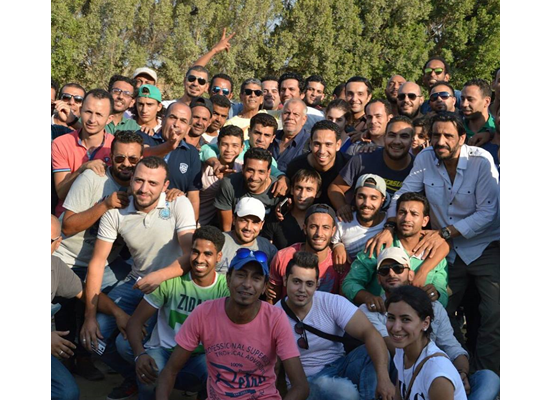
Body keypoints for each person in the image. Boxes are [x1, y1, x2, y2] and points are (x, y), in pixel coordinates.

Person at [377, 113, 500, 373]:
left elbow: (488, 212)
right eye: (435, 135)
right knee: (435, 310)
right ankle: (453, 369)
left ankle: (485, 376)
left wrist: (444, 232)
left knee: (494, 315)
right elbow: (403, 194)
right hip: (447, 250)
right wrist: (389, 226)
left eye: (448, 136)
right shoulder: (425, 158)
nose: (440, 141)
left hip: (483, 246)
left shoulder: (480, 160)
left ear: (462, 138)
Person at [81, 157, 197, 399]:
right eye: (139, 180)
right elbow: (97, 263)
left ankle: (157, 377)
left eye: (153, 183)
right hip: (136, 282)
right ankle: (134, 376)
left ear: (165, 186)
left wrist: (159, 276)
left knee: (127, 346)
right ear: (131, 179)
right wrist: (89, 317)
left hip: (171, 285)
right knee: (92, 339)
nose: (144, 189)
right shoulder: (116, 212)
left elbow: (191, 255)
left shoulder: (178, 203)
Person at [155, 250, 310, 400]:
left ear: (264, 287)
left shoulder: (275, 318)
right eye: (241, 275)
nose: (247, 284)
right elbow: (170, 371)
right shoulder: (204, 313)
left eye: (256, 278)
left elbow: (300, 386)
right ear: (228, 279)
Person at [360, 248, 501, 400]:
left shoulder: (436, 372)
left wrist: (462, 373)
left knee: (489, 378)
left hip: (434, 374)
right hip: (407, 370)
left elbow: (453, 348)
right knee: (372, 352)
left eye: (398, 268)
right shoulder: (401, 352)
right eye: (391, 318)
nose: (391, 274)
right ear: (378, 278)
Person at [120, 227, 230, 400]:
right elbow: (135, 322)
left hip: (200, 355)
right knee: (147, 372)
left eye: (207, 254)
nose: (199, 259)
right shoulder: (170, 282)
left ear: (219, 257)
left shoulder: (225, 288)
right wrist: (139, 355)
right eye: (195, 252)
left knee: (217, 374)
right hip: (163, 350)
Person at [276, 252, 395, 400]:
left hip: (340, 365)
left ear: (317, 284)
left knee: (374, 352)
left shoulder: (331, 302)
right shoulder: (275, 315)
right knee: (345, 392)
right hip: (307, 381)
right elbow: (273, 366)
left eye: (309, 284)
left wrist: (384, 380)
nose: (302, 289)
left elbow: (369, 333)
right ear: (285, 280)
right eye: (296, 282)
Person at [343, 192, 450, 311]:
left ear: (425, 221)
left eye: (414, 214)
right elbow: (350, 283)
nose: (407, 218)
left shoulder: (434, 251)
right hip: (379, 315)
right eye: (402, 212)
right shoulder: (379, 246)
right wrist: (369, 298)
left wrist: (436, 294)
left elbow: (442, 293)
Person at [386, 286, 468, 400]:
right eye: (391, 318)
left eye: (406, 319)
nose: (396, 328)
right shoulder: (401, 352)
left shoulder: (438, 374)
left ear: (425, 323)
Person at [328, 116, 416, 223]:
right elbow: (336, 187)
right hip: (361, 227)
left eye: (404, 136)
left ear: (412, 140)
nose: (397, 141)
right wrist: (342, 206)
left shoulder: (418, 168)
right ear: (384, 137)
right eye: (392, 135)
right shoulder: (363, 159)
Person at [51, 89, 116, 216]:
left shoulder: (115, 146)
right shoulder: (61, 143)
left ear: (109, 119)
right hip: (66, 217)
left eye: (99, 114)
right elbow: (61, 193)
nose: (92, 119)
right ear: (80, 111)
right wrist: (83, 169)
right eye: (88, 112)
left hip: (104, 218)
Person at [138, 101, 202, 218]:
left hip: (174, 218)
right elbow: (144, 155)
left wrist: (192, 224)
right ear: (163, 119)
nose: (176, 124)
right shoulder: (144, 136)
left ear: (188, 129)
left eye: (183, 121)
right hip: (140, 213)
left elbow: (193, 196)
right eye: (172, 117)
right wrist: (169, 146)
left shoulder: (192, 152)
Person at [268, 204, 340, 304]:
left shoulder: (339, 262)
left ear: (333, 231)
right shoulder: (283, 257)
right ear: (305, 229)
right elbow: (271, 300)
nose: (319, 233)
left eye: (325, 227)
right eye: (313, 227)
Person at [51, 215, 83, 400]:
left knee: (67, 393)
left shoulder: (56, 266)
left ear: (58, 243)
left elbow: (84, 293)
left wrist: (119, 314)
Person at [215, 148, 284, 232]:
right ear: (243, 168)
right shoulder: (229, 185)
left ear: (268, 172)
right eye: (250, 170)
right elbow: (226, 230)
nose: (254, 177)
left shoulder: (279, 189)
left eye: (261, 172)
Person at [286, 121, 350, 207]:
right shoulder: (295, 167)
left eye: (328, 144)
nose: (322, 151)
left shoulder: (349, 165)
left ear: (338, 145)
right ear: (310, 144)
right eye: (317, 144)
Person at [332, 174, 388, 264]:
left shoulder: (390, 222)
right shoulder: (341, 222)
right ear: (354, 197)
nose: (366, 203)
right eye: (361, 197)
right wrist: (336, 246)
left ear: (382, 200)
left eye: (373, 198)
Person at [217, 197, 278, 275]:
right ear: (234, 220)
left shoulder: (268, 248)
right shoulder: (218, 242)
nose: (248, 227)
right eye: (243, 220)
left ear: (262, 224)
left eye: (255, 222)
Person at [262, 169, 320, 250]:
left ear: (317, 193)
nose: (302, 195)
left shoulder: (322, 223)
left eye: (309, 189)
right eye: (299, 188)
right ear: (292, 190)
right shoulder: (276, 219)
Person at [199, 125, 245, 227]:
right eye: (225, 144)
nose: (229, 150)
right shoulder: (204, 166)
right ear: (218, 145)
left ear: (242, 148)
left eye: (235, 145)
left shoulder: (242, 170)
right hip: (198, 223)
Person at [269, 99, 311, 173]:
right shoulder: (270, 136)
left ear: (304, 119)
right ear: (281, 115)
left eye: (296, 114)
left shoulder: (310, 143)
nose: (290, 117)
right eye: (287, 113)